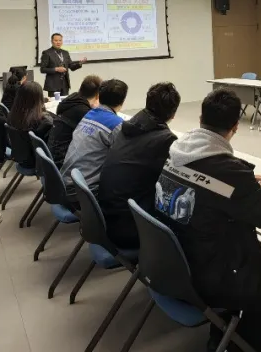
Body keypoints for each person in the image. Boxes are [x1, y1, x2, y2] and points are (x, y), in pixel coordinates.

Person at [156, 89, 261, 352]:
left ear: (200, 119)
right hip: (207, 272)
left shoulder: (176, 151)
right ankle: (238, 346)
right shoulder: (230, 171)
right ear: (235, 126)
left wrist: (243, 185)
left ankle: (224, 331)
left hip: (172, 260)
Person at [99, 82, 180, 250]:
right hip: (130, 229)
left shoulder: (127, 127)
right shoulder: (165, 139)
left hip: (106, 216)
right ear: (173, 114)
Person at [61, 78, 128, 197]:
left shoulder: (89, 114)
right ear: (122, 102)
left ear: (99, 97)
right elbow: (127, 158)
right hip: (83, 193)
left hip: (65, 183)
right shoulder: (116, 125)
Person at [47, 75, 101, 170]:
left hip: (52, 155)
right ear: (97, 95)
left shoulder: (71, 100)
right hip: (63, 162)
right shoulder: (85, 113)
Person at [7, 80, 54, 167]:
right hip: (37, 162)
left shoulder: (12, 115)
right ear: (39, 99)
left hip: (21, 157)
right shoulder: (43, 121)